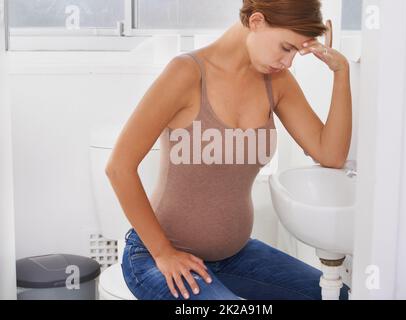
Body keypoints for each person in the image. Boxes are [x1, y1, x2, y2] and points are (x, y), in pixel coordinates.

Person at [106, 0, 352, 300]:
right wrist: (164, 253)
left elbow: (330, 154)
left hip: (235, 257)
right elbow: (118, 167)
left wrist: (341, 72)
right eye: (286, 48)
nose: (288, 62)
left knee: (340, 295)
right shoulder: (186, 73)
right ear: (257, 21)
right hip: (157, 259)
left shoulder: (277, 82)